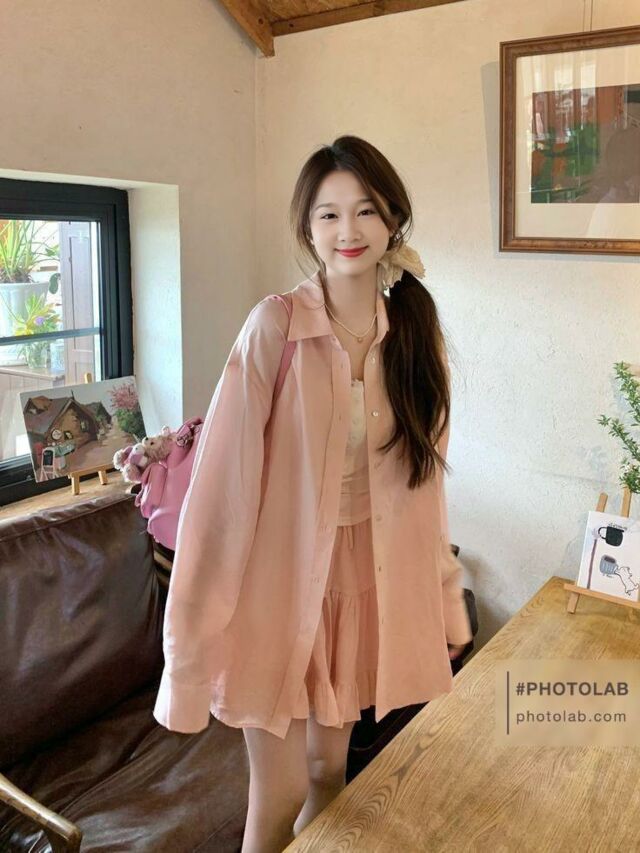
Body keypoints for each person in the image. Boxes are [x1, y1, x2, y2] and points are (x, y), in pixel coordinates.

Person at [153, 135, 473, 853]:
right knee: (282, 794)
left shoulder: (415, 337)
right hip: (275, 592)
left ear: (393, 220)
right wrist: (189, 653)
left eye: (366, 211)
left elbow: (426, 492)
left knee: (332, 772)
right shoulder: (275, 326)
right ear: (307, 228)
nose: (347, 230)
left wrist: (445, 599)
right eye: (328, 215)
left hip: (361, 585)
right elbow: (220, 497)